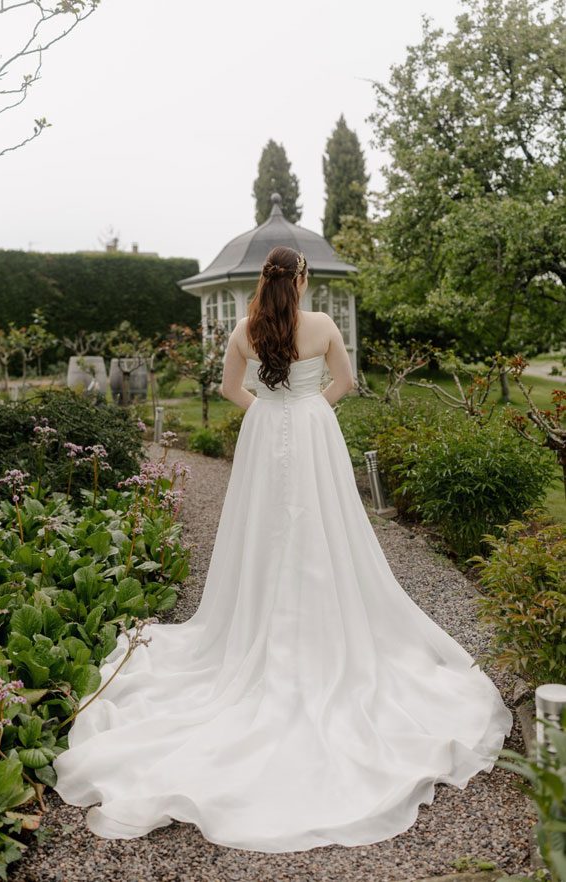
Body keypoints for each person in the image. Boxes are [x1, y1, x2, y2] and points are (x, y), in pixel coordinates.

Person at [52, 245, 513, 853]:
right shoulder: (321, 325)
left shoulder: (245, 328)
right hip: (312, 428)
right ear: (301, 279)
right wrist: (307, 410)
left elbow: (228, 388)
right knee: (326, 522)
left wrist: (270, 412)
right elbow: (346, 382)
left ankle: (258, 622)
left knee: (262, 530)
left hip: (265, 431)